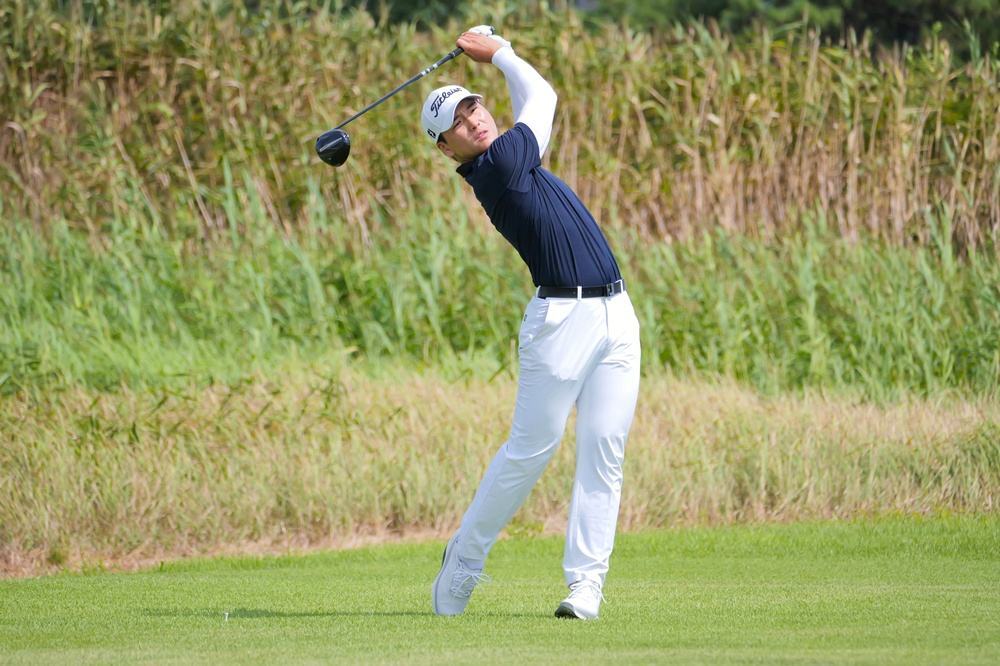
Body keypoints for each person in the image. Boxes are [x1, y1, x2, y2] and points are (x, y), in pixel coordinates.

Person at [423, 26, 641, 621]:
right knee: (530, 452)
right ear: (447, 150)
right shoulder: (496, 168)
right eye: (457, 125)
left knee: (604, 449)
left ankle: (585, 586)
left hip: (616, 315)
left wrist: (500, 59)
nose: (473, 122)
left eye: (474, 108)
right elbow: (543, 98)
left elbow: (528, 106)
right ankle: (465, 557)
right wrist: (501, 54)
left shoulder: (512, 154)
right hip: (559, 322)